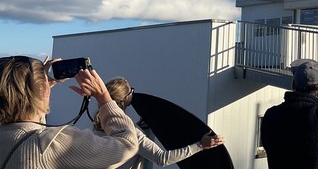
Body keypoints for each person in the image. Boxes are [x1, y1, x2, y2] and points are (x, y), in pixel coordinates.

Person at [0, 55, 138, 168]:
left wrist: (40, 90)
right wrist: (104, 97)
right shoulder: (52, 144)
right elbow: (128, 145)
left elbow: (28, 127)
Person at [93, 77, 224, 169]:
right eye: (131, 91)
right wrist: (201, 145)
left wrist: (142, 127)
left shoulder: (98, 125)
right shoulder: (130, 131)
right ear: (126, 98)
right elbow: (162, 159)